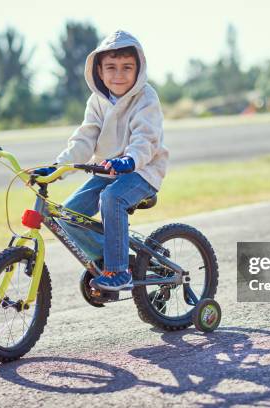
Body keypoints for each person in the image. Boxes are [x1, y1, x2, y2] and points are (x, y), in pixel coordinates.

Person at [34, 30, 168, 291]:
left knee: (112, 198)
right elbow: (85, 138)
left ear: (138, 69)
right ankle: (111, 259)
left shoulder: (146, 98)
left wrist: (129, 160)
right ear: (99, 70)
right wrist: (58, 167)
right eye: (111, 68)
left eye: (127, 67)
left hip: (142, 171)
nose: (118, 74)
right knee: (67, 216)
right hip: (106, 171)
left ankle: (118, 271)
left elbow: (146, 138)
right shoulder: (97, 101)